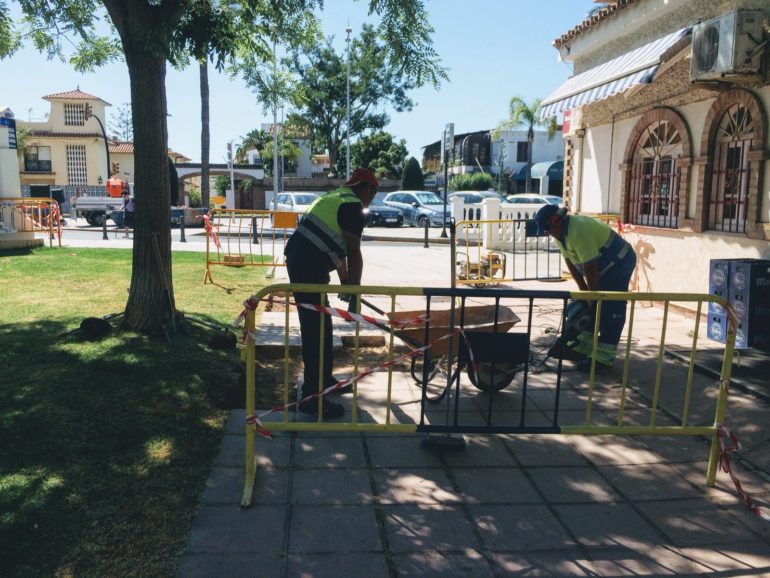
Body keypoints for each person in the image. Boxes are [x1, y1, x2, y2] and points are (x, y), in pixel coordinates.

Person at [284, 167, 378, 418]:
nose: (372, 198)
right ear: (366, 188)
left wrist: (345, 281)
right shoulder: (352, 206)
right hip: (307, 268)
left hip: (304, 263)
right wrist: (355, 294)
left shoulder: (335, 197)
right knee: (315, 332)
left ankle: (324, 381)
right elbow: (354, 253)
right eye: (373, 192)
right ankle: (311, 399)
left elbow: (333, 249)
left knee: (323, 327)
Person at [534, 204, 637, 370]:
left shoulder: (578, 230)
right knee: (589, 307)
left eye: (547, 229)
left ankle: (603, 358)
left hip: (620, 263)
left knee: (610, 307)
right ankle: (581, 348)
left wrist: (592, 296)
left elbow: (590, 268)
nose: (548, 234)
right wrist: (584, 294)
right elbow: (571, 264)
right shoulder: (561, 236)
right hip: (602, 268)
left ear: (556, 221)